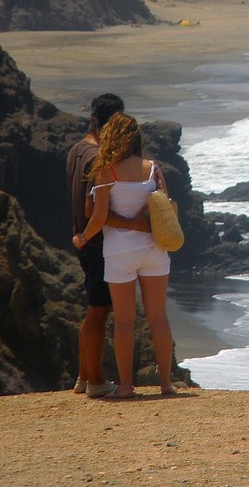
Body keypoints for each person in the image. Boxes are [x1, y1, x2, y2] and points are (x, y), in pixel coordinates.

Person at [73, 112, 175, 398]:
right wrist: (140, 220)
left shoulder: (107, 171)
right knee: (159, 319)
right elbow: (163, 205)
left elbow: (98, 216)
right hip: (154, 248)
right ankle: (166, 383)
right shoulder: (152, 168)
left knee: (124, 321)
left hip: (120, 253)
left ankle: (127, 386)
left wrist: (83, 237)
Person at [67, 93, 149, 398]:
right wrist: (132, 224)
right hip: (97, 242)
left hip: (83, 240)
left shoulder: (76, 150)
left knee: (95, 309)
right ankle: (95, 380)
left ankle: (84, 376)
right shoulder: (97, 158)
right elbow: (96, 210)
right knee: (98, 312)